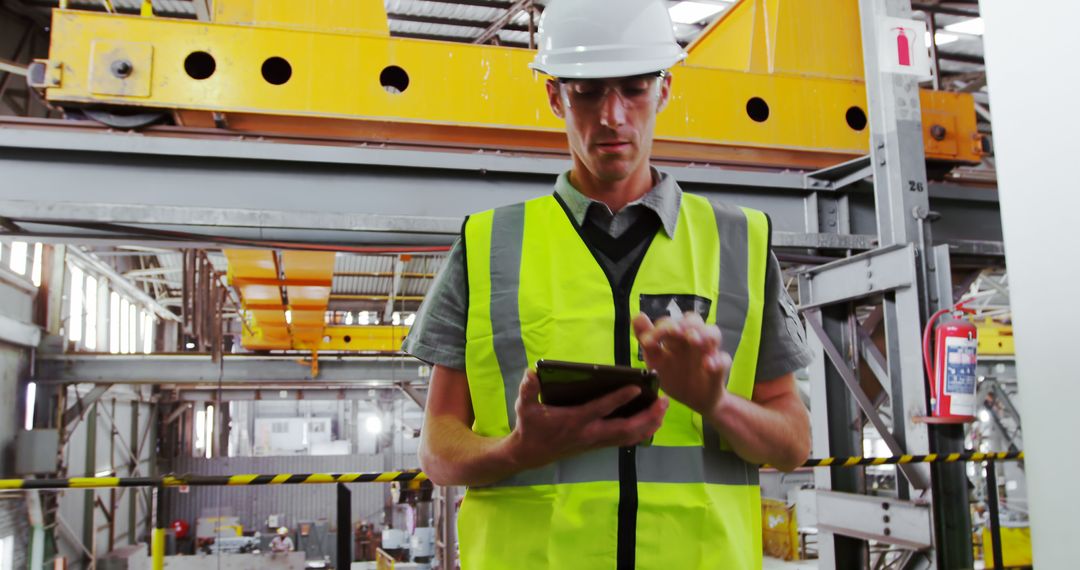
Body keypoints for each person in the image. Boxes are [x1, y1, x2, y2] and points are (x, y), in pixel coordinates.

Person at [405, 0, 813, 567]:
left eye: (634, 88)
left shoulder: (737, 241)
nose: (613, 116)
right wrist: (519, 449)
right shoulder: (489, 245)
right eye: (588, 92)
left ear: (664, 90)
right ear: (555, 97)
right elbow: (439, 449)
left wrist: (716, 404)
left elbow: (793, 443)